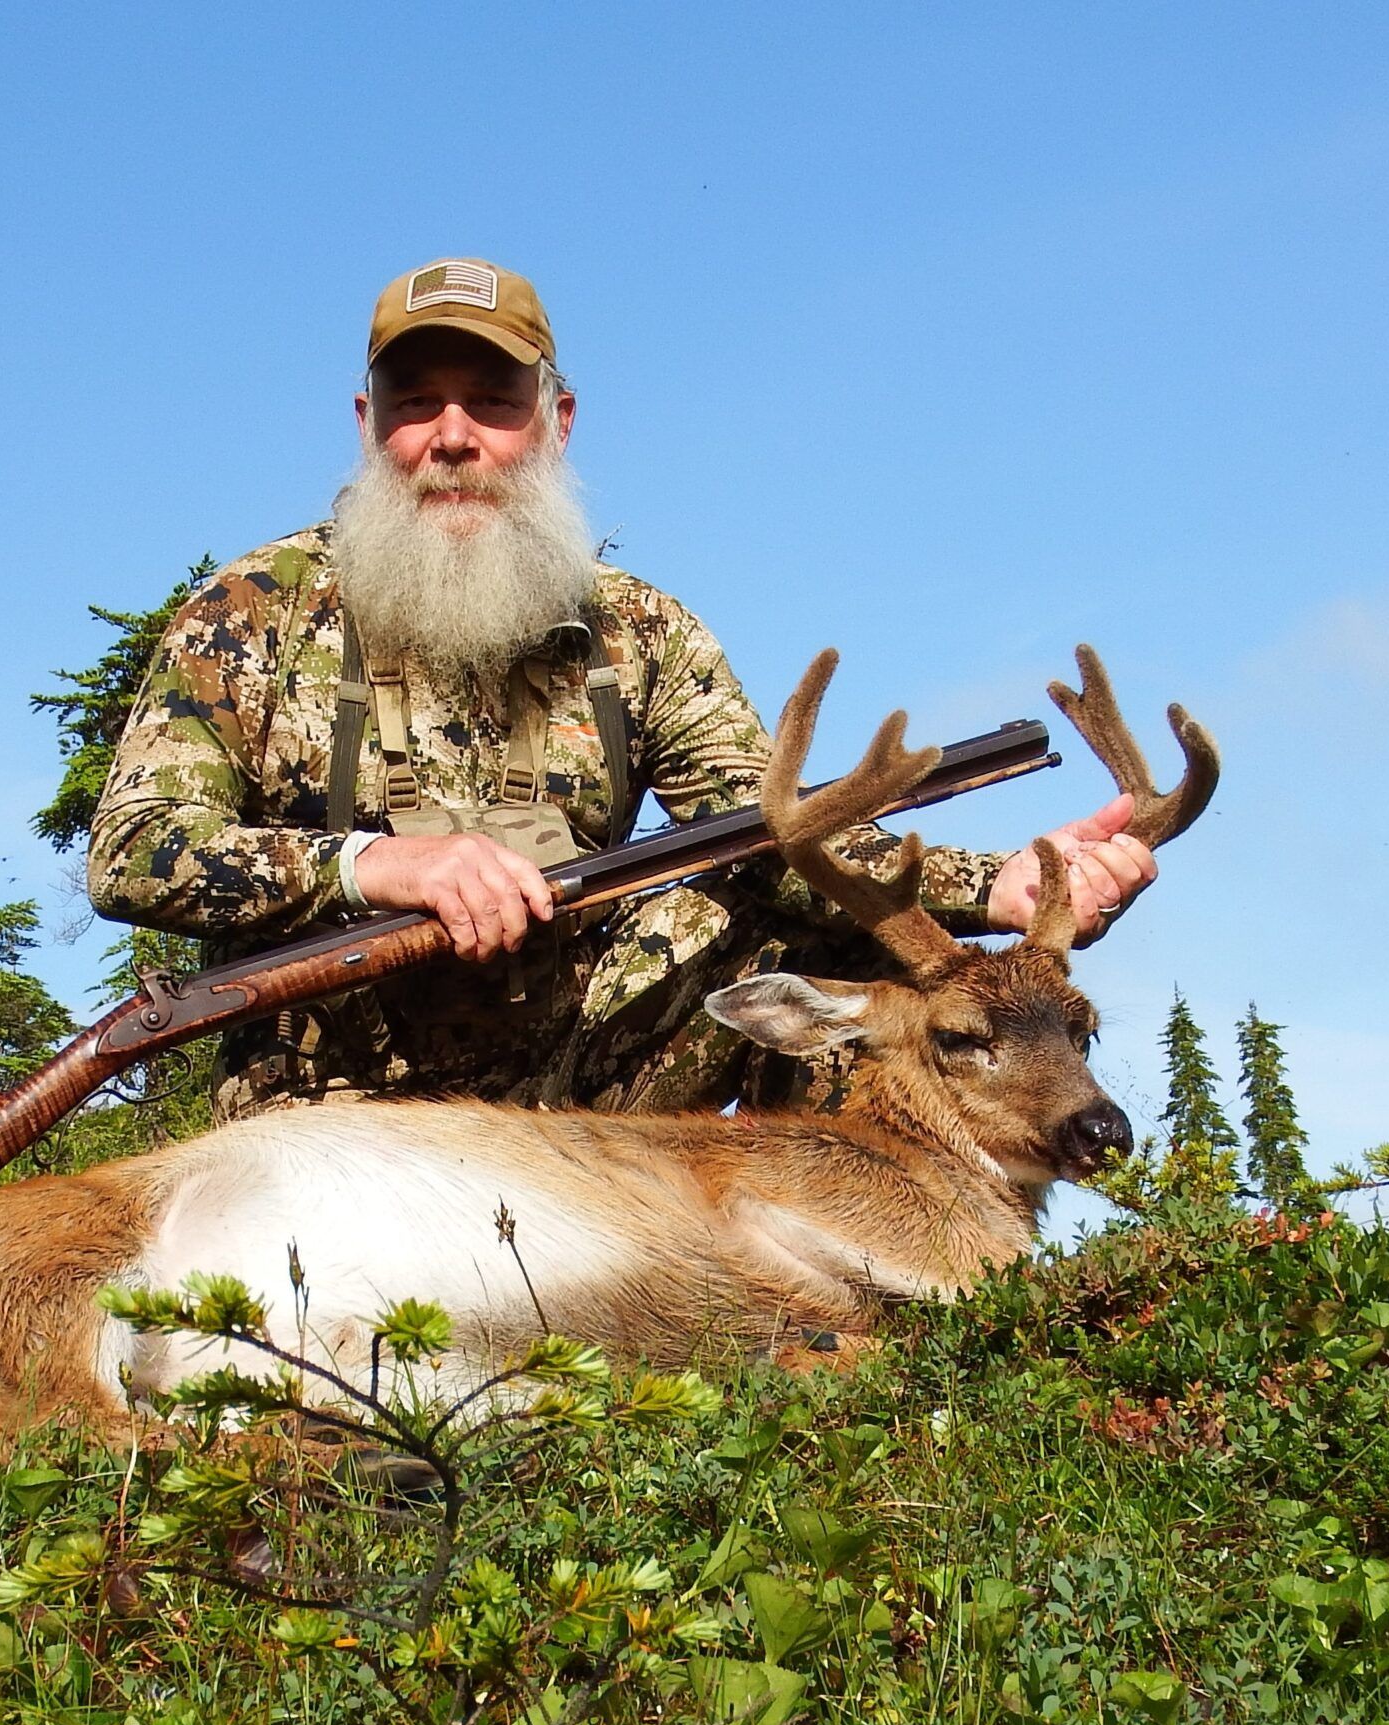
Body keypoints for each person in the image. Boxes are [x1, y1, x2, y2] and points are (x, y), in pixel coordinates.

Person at [86, 258, 1157, 1122]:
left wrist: (999, 890)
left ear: (556, 422)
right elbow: (134, 846)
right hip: (329, 1106)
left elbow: (767, 836)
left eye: (493, 403)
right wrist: (379, 864)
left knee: (807, 931)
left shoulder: (641, 632)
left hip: (583, 1097)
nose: (452, 437)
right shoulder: (252, 612)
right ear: (370, 423)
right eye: (417, 406)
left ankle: (837, 1300)